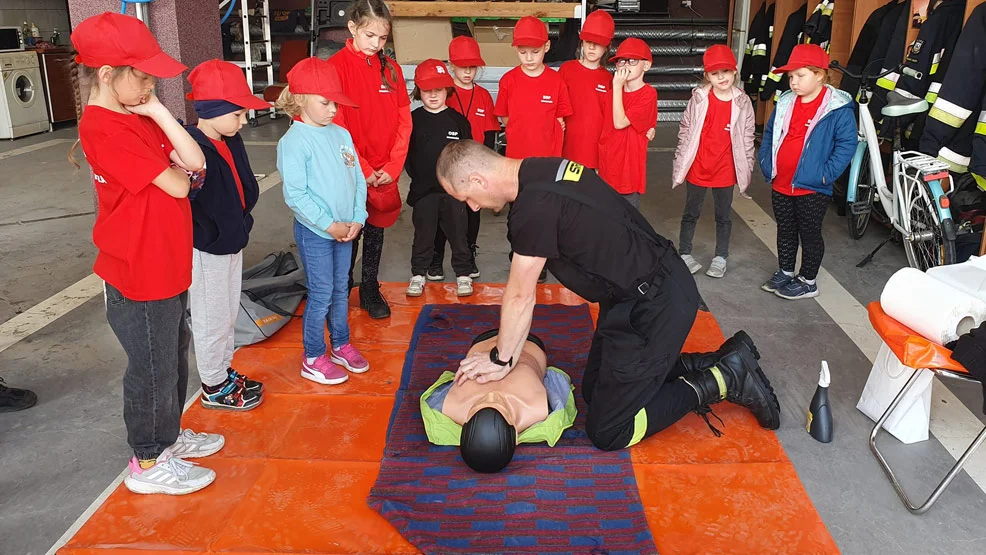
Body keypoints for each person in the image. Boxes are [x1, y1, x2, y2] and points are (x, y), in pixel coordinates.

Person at [436, 140, 781, 451]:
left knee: (609, 429)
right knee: (594, 391)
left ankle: (724, 378)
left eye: (466, 197)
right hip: (631, 298)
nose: (473, 207)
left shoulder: (534, 207)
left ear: (478, 180)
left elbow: (520, 296)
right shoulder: (541, 168)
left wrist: (501, 359)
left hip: (656, 304)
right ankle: (718, 359)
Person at [70, 12, 222, 495]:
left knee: (173, 356)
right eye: (144, 77)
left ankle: (169, 437)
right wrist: (179, 166)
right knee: (153, 368)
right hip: (138, 270)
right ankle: (149, 458)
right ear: (108, 75)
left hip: (164, 261)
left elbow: (196, 161)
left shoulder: (134, 116)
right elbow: (181, 184)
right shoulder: (105, 128)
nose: (151, 85)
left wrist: (156, 110)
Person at [276, 57, 370, 386]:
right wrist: (330, 225)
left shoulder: (341, 133)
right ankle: (313, 355)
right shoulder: (294, 141)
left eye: (335, 102)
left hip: (346, 229)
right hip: (318, 233)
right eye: (325, 102)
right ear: (300, 98)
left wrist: (358, 218)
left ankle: (341, 344)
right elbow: (296, 196)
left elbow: (357, 179)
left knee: (341, 289)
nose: (332, 109)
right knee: (321, 294)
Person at [184, 59, 268, 411]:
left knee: (228, 312)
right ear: (213, 110)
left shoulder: (229, 138)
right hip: (208, 248)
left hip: (232, 239)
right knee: (210, 317)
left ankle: (222, 369)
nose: (244, 121)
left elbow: (242, 185)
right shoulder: (191, 147)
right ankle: (213, 385)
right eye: (237, 114)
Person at [328, 0, 411, 319]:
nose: (376, 44)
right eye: (370, 36)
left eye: (382, 38)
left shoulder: (391, 69)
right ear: (352, 28)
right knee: (350, 230)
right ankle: (341, 288)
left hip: (384, 171)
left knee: (376, 230)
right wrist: (362, 169)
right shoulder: (336, 67)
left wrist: (391, 167)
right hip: (350, 169)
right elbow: (337, 124)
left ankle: (369, 287)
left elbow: (405, 119)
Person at [758, 44, 856, 300]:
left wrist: (826, 174)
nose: (793, 82)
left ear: (820, 74)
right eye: (791, 77)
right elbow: (770, 134)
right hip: (781, 181)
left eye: (800, 76)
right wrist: (768, 161)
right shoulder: (786, 102)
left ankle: (808, 280)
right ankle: (786, 270)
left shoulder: (837, 109)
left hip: (812, 186)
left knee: (809, 232)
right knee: (785, 229)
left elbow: (847, 145)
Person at [420, 329, 576, 473]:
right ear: (515, 434)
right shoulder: (535, 407)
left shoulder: (453, 406)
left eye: (481, 403)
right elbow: (559, 383)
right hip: (526, 340)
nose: (492, 396)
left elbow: (560, 386)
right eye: (500, 406)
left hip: (488, 342)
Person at [672, 45, 756, 279]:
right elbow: (685, 129)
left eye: (726, 72)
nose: (722, 78)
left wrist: (746, 166)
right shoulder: (699, 98)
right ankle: (685, 252)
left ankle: (721, 257)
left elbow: (748, 136)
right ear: (707, 75)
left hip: (725, 170)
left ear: (735, 71)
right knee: (691, 212)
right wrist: (681, 160)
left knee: (724, 215)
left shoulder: (742, 102)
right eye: (715, 73)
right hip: (698, 167)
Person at [429, 36, 501, 281]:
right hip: (447, 167)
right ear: (451, 65)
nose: (468, 72)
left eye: (472, 67)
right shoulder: (444, 94)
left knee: (472, 212)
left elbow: (490, 132)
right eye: (462, 67)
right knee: (443, 212)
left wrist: (488, 166)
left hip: (474, 168)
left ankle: (468, 253)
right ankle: (436, 257)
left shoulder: (482, 96)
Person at [405, 59, 474, 298]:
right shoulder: (412, 121)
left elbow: (467, 157)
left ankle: (463, 275)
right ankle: (418, 274)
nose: (433, 95)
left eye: (438, 90)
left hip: (453, 192)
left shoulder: (458, 121)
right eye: (426, 91)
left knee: (458, 234)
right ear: (418, 92)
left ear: (448, 90)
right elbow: (408, 158)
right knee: (423, 235)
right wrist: (420, 179)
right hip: (424, 192)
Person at [494, 15, 573, 159]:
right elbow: (504, 116)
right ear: (516, 48)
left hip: (548, 156)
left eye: (535, 52)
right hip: (517, 156)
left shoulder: (556, 81)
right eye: (523, 52)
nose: (529, 58)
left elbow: (560, 119)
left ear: (547, 47)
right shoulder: (508, 80)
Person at [597, 38, 657, 211]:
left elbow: (620, 122)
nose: (625, 66)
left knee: (629, 220)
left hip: (629, 171)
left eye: (632, 61)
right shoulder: (609, 95)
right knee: (607, 219)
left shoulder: (648, 94)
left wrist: (617, 88)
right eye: (621, 61)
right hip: (608, 167)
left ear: (646, 66)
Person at [558, 9, 615, 169]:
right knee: (568, 190)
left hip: (596, 150)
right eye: (588, 41)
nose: (592, 47)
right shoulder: (566, 70)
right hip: (568, 148)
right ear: (581, 41)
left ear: (607, 46)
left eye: (598, 43)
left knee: (590, 191)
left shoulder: (608, 79)